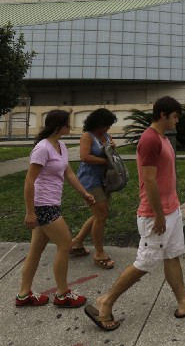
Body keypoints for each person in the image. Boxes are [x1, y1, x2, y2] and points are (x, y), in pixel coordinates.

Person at [84, 96, 185, 331]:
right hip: (156, 215)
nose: (177, 121)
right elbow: (149, 181)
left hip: (171, 210)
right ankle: (106, 301)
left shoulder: (161, 138)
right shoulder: (150, 140)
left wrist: (171, 209)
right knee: (145, 262)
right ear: (163, 114)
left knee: (172, 255)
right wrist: (160, 215)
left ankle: (184, 302)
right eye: (175, 116)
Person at [15, 109, 95, 308]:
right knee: (65, 245)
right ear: (59, 125)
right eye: (68, 122)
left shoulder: (60, 145)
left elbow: (69, 174)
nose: (71, 125)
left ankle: (23, 295)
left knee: (35, 250)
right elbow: (29, 181)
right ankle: (62, 294)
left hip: (50, 203)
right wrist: (30, 212)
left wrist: (84, 193)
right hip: (43, 205)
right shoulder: (42, 148)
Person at [71, 108, 118, 269]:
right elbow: (84, 157)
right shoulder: (87, 136)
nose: (108, 129)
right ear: (98, 123)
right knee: (101, 215)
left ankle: (76, 242)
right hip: (90, 181)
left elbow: (110, 153)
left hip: (105, 180)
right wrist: (105, 161)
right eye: (106, 125)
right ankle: (99, 253)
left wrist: (112, 147)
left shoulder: (106, 136)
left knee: (100, 214)